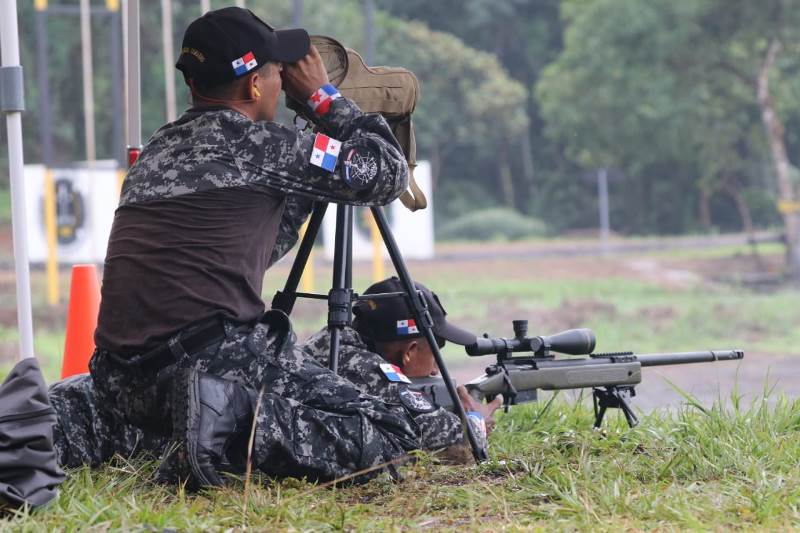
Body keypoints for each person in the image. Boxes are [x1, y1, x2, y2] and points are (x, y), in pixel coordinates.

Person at [81, 6, 417, 488]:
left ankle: (194, 428)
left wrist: (307, 183)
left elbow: (249, 250)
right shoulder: (263, 145)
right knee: (390, 431)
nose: (285, 82)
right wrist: (323, 99)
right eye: (279, 72)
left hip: (123, 382)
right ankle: (224, 432)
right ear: (255, 85)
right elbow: (387, 172)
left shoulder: (160, 148)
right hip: (206, 365)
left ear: (193, 82)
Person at [302, 277, 503, 461]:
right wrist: (476, 419)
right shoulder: (372, 373)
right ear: (409, 352)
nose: (435, 370)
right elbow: (455, 442)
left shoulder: (328, 343)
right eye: (435, 352)